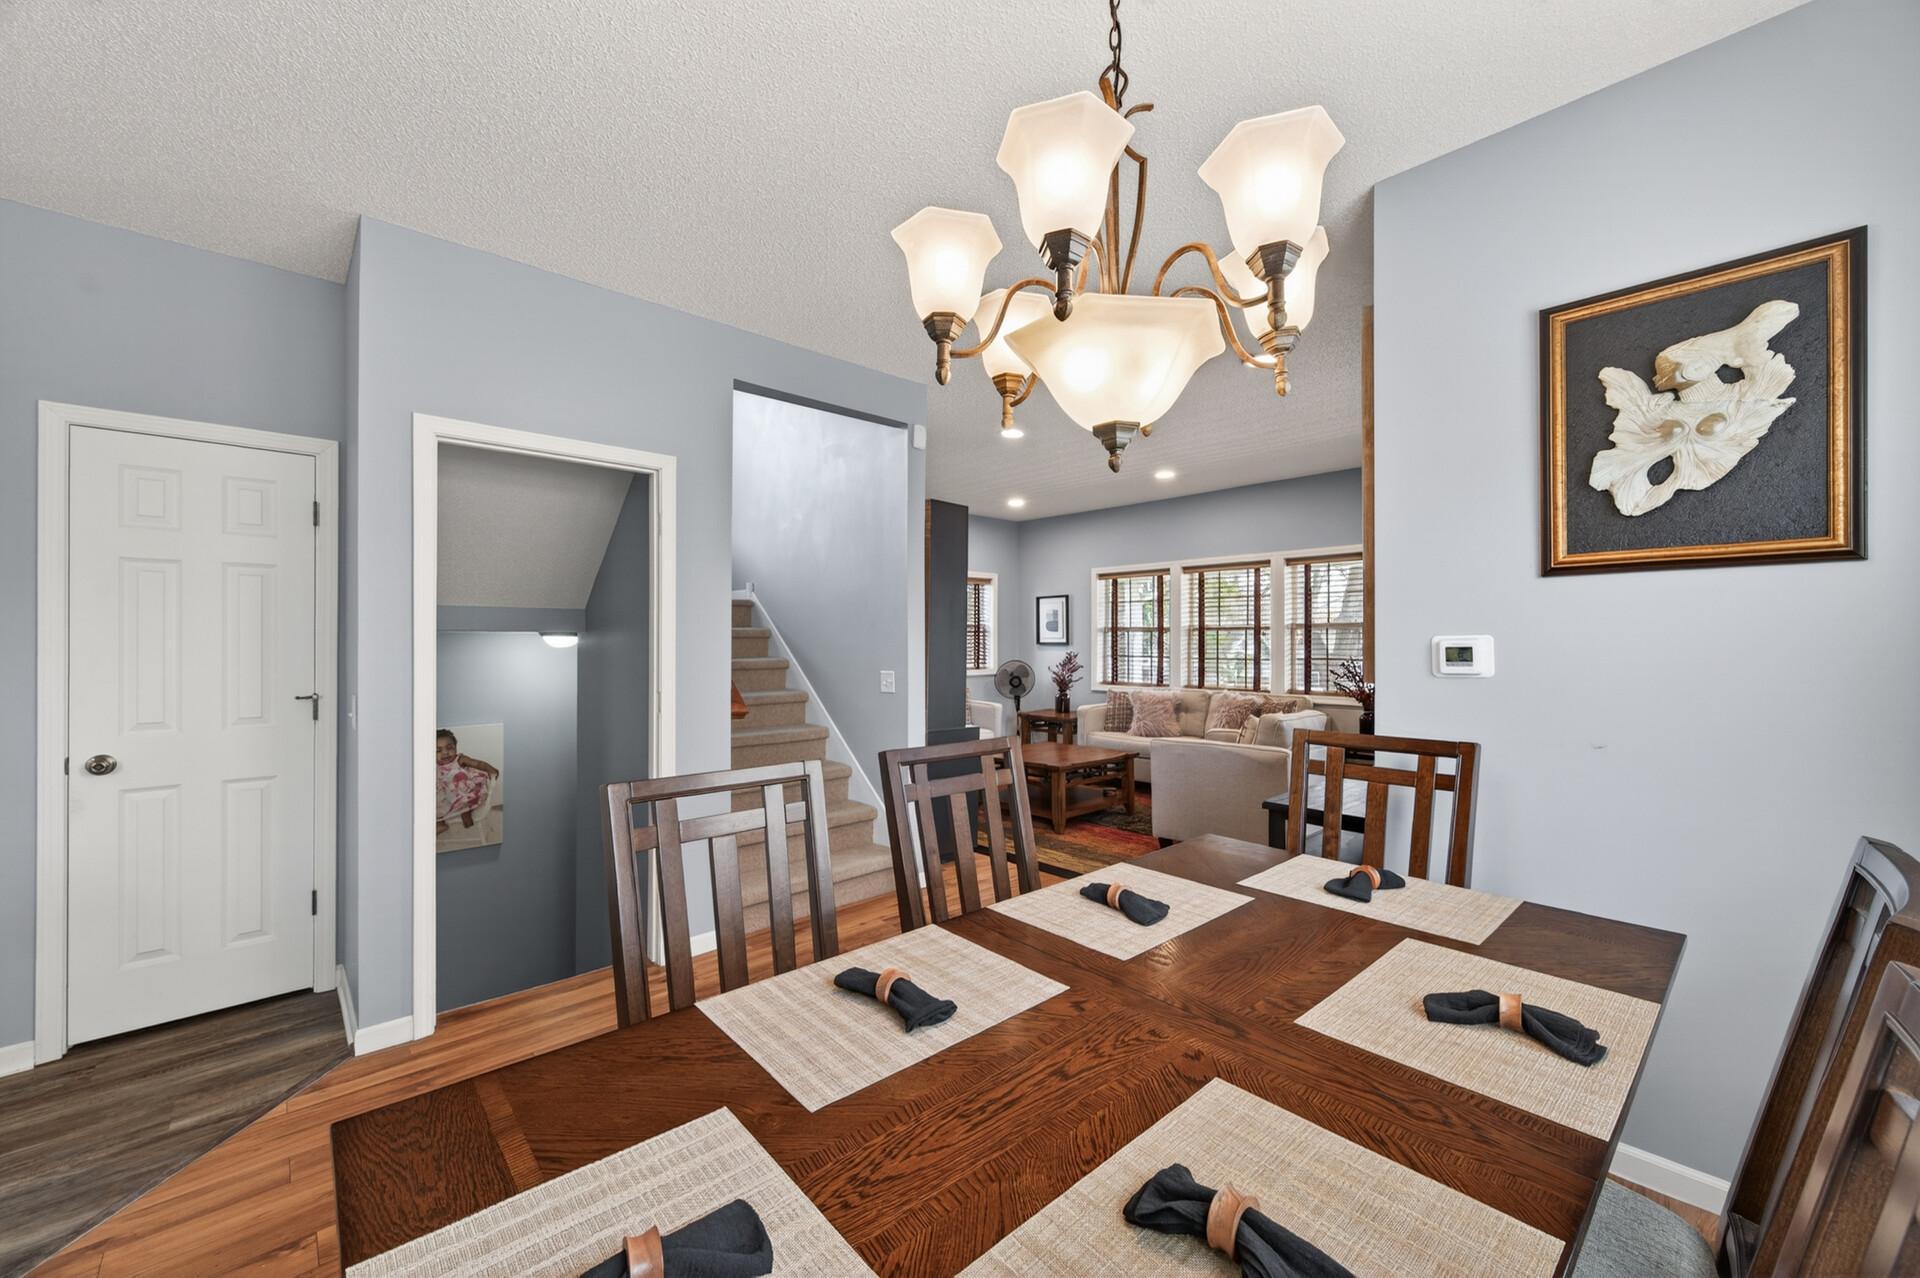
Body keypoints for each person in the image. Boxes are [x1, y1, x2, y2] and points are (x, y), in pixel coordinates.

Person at [435, 729, 499, 834]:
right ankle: (440, 824)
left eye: (449, 748)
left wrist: (491, 770)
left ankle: (466, 812)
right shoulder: (434, 764)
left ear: (456, 747)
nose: (445, 753)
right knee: (431, 803)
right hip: (446, 794)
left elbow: (478, 764)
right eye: (438, 750)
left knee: (460, 788)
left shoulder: (460, 759)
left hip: (464, 790)